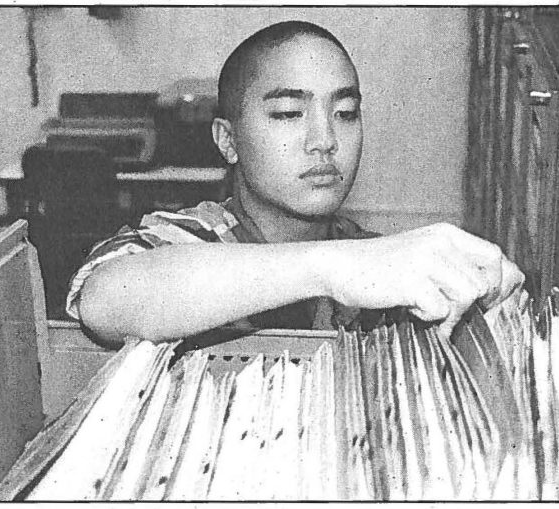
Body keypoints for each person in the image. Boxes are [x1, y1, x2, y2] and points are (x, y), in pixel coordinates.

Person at [67, 21, 524, 349]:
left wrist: (493, 310)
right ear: (228, 140)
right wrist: (333, 268)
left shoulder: (377, 265)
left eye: (345, 114)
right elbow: (104, 299)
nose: (324, 141)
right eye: (288, 114)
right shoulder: (188, 238)